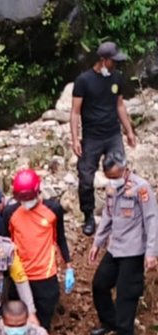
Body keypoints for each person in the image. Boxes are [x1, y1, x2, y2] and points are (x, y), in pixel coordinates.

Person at [88, 151, 158, 335]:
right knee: (100, 284)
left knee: (126, 296)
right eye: (109, 177)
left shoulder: (141, 188)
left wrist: (152, 252)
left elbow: (152, 220)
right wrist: (97, 243)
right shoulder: (112, 188)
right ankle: (109, 322)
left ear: (125, 169)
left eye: (115, 176)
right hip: (115, 247)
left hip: (134, 250)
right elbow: (108, 215)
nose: (113, 180)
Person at [70, 41, 136, 236]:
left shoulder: (117, 78)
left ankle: (123, 213)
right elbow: (75, 112)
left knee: (121, 173)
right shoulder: (84, 80)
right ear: (103, 60)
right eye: (113, 61)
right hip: (92, 137)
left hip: (113, 133)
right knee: (86, 178)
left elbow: (120, 105)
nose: (115, 64)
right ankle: (88, 215)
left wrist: (129, 131)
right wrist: (75, 139)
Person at [4, 168, 74, 331]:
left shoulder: (53, 210)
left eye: (28, 197)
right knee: (18, 322)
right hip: (19, 276)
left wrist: (69, 265)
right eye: (22, 198)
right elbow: (6, 244)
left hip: (45, 277)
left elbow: (60, 238)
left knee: (42, 324)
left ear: (38, 192)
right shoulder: (10, 213)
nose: (26, 201)